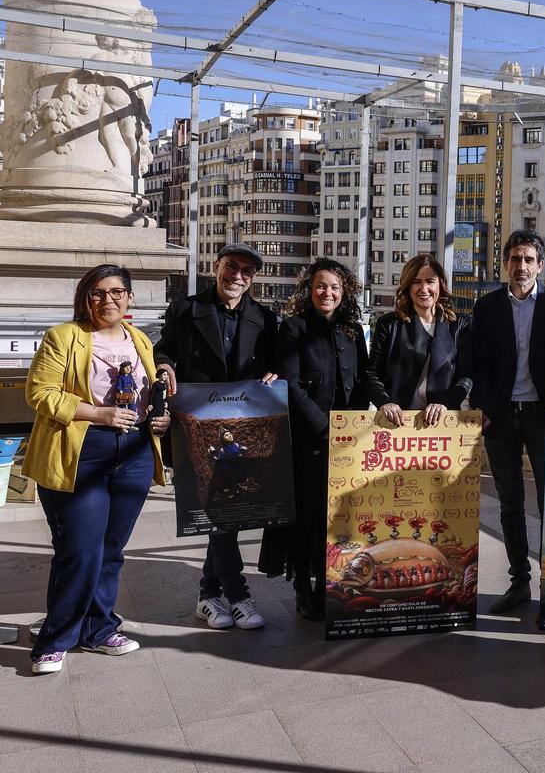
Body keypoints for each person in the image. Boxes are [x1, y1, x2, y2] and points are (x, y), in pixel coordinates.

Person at [24, 264, 171, 674]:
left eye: (117, 292)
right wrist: (97, 413)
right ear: (85, 298)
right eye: (98, 293)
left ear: (130, 297)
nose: (108, 300)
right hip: (81, 452)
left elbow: (146, 395)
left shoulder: (140, 339)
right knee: (79, 551)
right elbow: (39, 392)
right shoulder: (63, 337)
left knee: (110, 550)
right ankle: (55, 639)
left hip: (134, 453)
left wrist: (158, 417)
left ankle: (99, 628)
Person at [154, 242, 278, 631]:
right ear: (217, 266)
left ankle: (208, 596)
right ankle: (239, 596)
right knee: (218, 513)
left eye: (246, 271)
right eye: (231, 267)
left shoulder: (265, 318)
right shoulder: (185, 309)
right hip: (197, 427)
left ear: (252, 278)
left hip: (241, 429)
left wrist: (275, 373)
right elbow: (163, 350)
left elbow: (275, 364)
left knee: (226, 515)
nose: (237, 276)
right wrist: (164, 365)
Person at [469, 230, 545, 614]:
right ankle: (519, 582)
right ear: (505, 264)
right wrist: (481, 406)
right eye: (515, 259)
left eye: (529, 259)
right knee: (510, 503)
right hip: (500, 418)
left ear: (540, 265)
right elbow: (478, 361)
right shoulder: (487, 307)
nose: (521, 266)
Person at [264, 258, 371, 620]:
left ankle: (331, 582)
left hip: (346, 440)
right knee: (308, 516)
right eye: (321, 286)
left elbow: (363, 381)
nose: (328, 293)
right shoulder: (293, 328)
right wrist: (325, 428)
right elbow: (289, 384)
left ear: (345, 292)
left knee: (338, 517)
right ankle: (303, 587)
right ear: (309, 290)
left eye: (335, 287)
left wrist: (353, 426)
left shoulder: (352, 330)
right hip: (308, 438)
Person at [366, 254, 472, 430]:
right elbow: (372, 373)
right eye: (416, 282)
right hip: (396, 422)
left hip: (442, 423)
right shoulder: (389, 324)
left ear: (440, 284)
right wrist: (384, 402)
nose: (424, 289)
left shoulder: (459, 326)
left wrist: (445, 404)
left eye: (430, 281)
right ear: (408, 286)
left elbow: (465, 376)